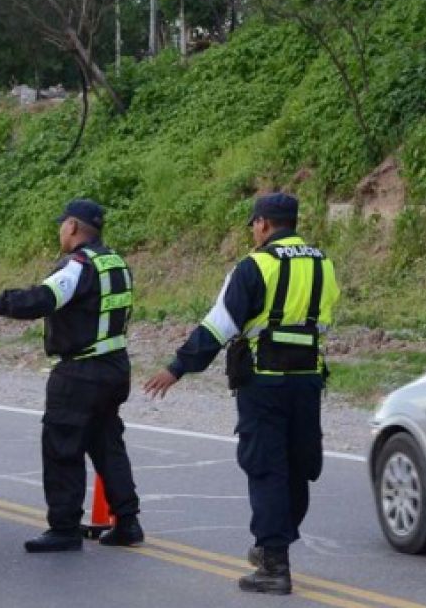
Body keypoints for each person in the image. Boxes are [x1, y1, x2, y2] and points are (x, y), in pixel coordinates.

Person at [144, 192, 339, 595]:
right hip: (307, 381)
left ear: (264, 224)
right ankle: (275, 544)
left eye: (253, 224)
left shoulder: (254, 266)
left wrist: (177, 367)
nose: (252, 231)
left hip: (263, 383)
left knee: (266, 467)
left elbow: (219, 327)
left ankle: (273, 563)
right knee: (297, 467)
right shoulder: (324, 264)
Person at [0, 198, 142, 553]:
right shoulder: (117, 263)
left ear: (73, 227)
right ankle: (127, 521)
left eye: (62, 225)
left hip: (79, 370)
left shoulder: (78, 265)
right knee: (107, 444)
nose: (60, 232)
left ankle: (64, 528)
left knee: (63, 446)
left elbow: (45, 298)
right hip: (114, 367)